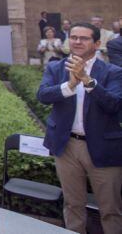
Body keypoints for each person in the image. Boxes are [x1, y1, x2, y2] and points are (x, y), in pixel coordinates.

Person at [37, 22, 122, 233]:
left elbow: (114, 104)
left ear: (97, 43)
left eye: (83, 38)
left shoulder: (113, 72)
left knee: (110, 209)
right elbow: (43, 95)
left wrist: (87, 81)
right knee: (73, 205)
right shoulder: (56, 67)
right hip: (67, 147)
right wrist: (70, 85)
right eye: (73, 37)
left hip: (103, 148)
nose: (77, 41)